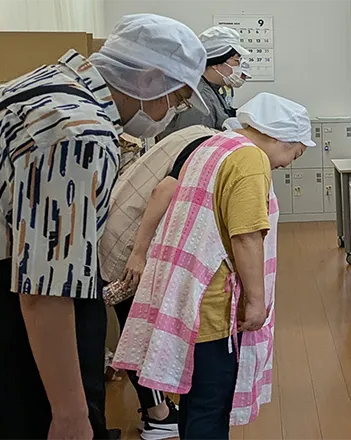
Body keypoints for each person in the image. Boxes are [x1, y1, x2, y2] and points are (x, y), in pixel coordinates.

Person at [0, 13, 207, 440]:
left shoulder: (39, 84)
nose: (171, 113)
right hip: (21, 310)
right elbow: (44, 290)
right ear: (151, 79)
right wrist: (69, 413)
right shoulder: (79, 132)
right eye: (175, 100)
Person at [113, 93, 315, 439]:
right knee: (211, 402)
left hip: (187, 292)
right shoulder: (250, 160)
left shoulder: (215, 145)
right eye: (294, 155)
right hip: (213, 305)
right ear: (282, 138)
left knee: (194, 398)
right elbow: (246, 236)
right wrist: (256, 301)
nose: (287, 165)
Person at [99, 123, 220, 439]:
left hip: (120, 224)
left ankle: (157, 410)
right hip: (127, 241)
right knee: (138, 331)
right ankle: (158, 415)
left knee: (136, 328)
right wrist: (139, 253)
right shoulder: (208, 146)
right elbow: (163, 191)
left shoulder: (198, 133)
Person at [158, 26, 249, 140]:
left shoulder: (214, 89)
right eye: (236, 60)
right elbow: (193, 143)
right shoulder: (199, 97)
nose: (239, 67)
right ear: (216, 62)